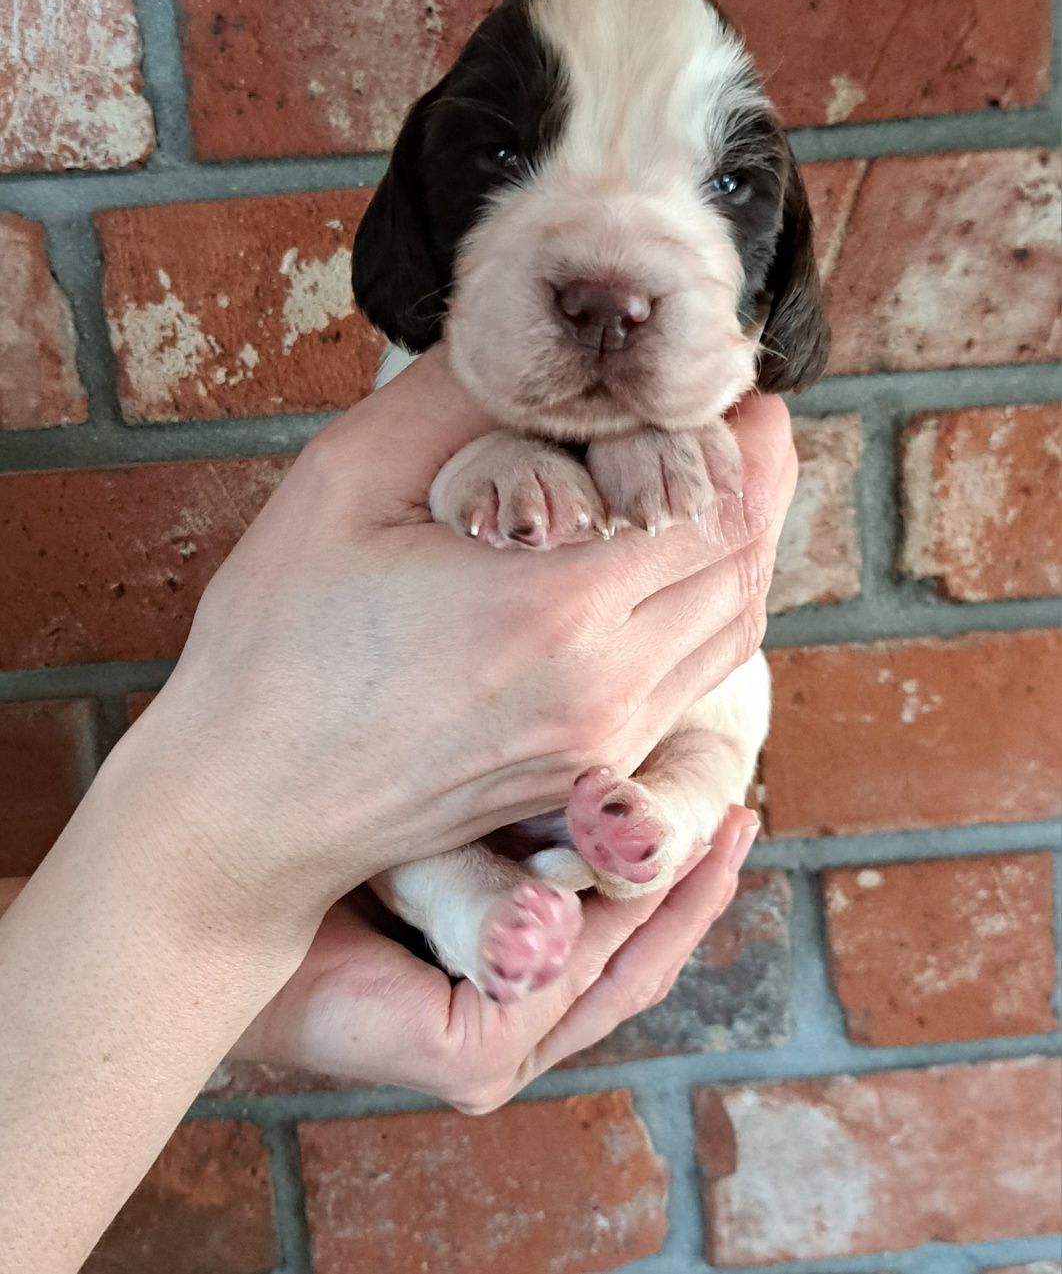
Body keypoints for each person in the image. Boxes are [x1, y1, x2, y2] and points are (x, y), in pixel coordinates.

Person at [0, 347, 796, 1273]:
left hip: (623, 762)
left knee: (702, 772)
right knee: (430, 861)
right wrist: (222, 871)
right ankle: (486, 907)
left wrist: (258, 968)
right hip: (433, 825)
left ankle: (632, 840)